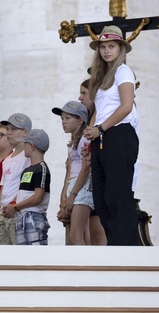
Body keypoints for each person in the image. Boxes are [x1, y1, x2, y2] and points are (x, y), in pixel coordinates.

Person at [83, 25, 139, 246]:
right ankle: (115, 244)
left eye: (111, 46)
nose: (106, 51)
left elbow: (126, 107)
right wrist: (91, 130)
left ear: (120, 49)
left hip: (118, 134)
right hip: (102, 137)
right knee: (102, 198)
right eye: (103, 47)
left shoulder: (123, 71)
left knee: (118, 195)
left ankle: (127, 247)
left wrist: (101, 128)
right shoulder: (102, 76)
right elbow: (99, 110)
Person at [0, 113, 32, 245]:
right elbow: (3, 190)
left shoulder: (28, 156)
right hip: (2, 213)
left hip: (18, 212)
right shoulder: (7, 160)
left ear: (25, 132)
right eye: (8, 130)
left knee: (18, 254)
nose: (9, 133)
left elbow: (27, 187)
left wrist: (15, 204)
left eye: (13, 129)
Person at [52, 101, 93, 245]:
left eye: (68, 118)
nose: (63, 122)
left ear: (80, 120)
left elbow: (86, 169)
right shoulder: (72, 144)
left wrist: (72, 196)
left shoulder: (85, 140)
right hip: (73, 186)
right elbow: (68, 173)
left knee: (75, 236)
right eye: (62, 119)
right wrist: (63, 200)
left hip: (82, 186)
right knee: (84, 236)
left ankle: (84, 267)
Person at [3, 129, 51, 245]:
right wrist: (12, 204)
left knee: (36, 254)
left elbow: (38, 197)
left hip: (34, 217)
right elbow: (22, 194)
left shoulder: (42, 168)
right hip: (21, 217)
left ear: (32, 146)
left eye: (25, 144)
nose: (23, 147)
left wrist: (15, 207)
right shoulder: (27, 170)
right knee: (22, 256)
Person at [78, 79, 108, 245]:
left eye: (84, 93)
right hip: (86, 182)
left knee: (97, 234)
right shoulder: (88, 119)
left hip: (95, 180)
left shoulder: (102, 118)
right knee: (87, 236)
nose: (80, 97)